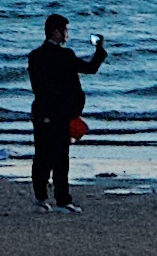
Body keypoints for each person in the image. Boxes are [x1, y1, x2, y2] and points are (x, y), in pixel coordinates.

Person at [24, 12, 106, 210]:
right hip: (53, 113)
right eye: (64, 30)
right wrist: (100, 50)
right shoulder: (51, 56)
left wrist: (99, 51)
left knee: (52, 157)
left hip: (53, 113)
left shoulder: (49, 55)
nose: (66, 34)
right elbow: (90, 68)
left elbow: (89, 68)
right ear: (55, 32)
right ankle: (51, 199)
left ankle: (52, 199)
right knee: (52, 157)